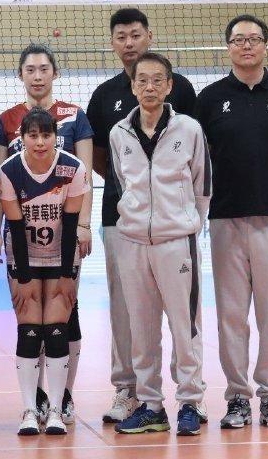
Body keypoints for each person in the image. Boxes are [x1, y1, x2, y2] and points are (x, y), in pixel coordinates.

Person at [195, 14, 268, 430]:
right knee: (231, 315)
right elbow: (199, 156)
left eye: (254, 39)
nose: (247, 45)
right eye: (239, 39)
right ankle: (237, 398)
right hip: (225, 219)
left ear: (265, 46)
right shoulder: (210, 98)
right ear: (228, 47)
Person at [85, 8, 198, 425]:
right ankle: (129, 392)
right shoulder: (104, 96)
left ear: (149, 36)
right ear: (112, 43)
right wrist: (134, 192)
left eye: (135, 34)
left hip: (173, 228)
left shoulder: (181, 90)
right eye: (121, 36)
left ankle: (190, 399)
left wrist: (182, 212)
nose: (129, 42)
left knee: (184, 315)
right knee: (127, 312)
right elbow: (100, 158)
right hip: (123, 222)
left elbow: (198, 166)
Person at [107, 52, 209, 436]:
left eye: (157, 80)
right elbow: (122, 183)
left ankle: (190, 402)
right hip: (133, 242)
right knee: (142, 328)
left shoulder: (190, 129)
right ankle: (151, 405)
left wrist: (185, 224)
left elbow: (202, 186)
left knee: (185, 326)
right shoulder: (119, 133)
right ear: (133, 86)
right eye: (142, 80)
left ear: (169, 86)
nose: (149, 87)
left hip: (176, 242)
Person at [0, 44, 93, 426]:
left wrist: (83, 227)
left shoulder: (74, 119)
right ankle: (33, 401)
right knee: (30, 325)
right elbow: (4, 194)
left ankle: (61, 397)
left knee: (64, 319)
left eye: (44, 68)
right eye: (30, 69)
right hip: (24, 242)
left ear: (55, 72)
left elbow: (85, 177)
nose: (37, 75)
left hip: (65, 236)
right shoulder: (7, 132)